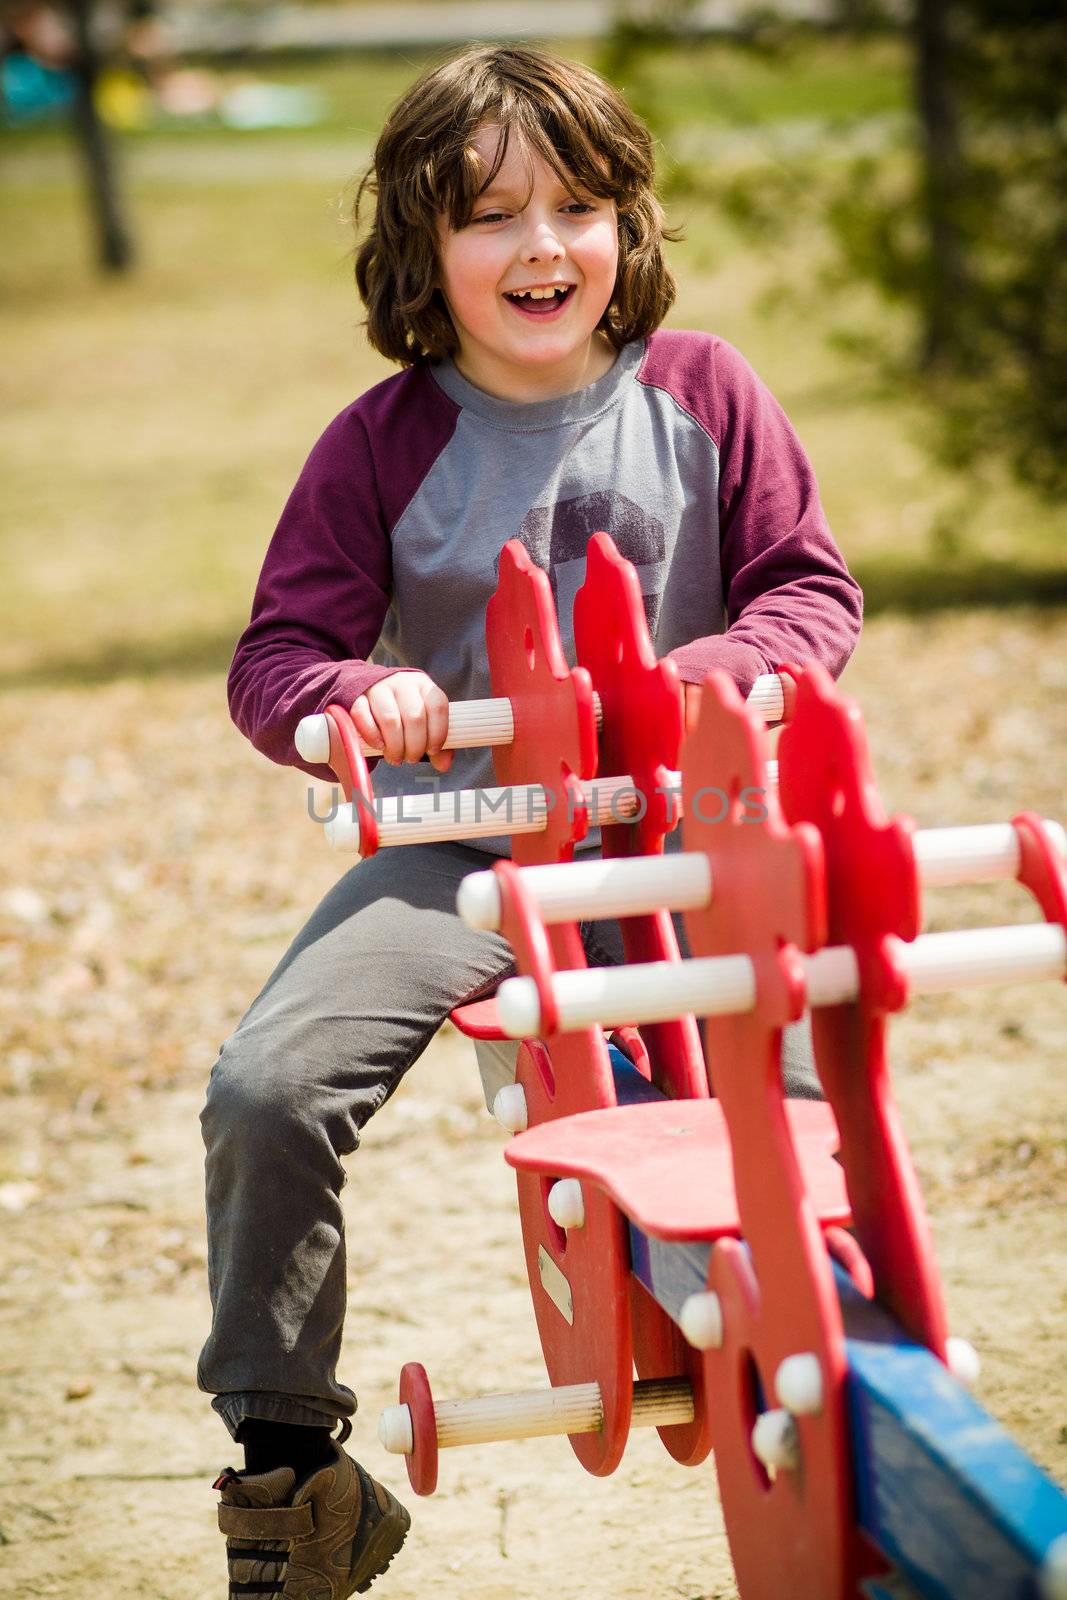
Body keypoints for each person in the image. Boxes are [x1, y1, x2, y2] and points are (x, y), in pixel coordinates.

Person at [198, 42, 863, 1599]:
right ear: (425, 246)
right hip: (472, 847)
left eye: (577, 205)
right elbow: (273, 660)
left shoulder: (709, 393)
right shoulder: (378, 443)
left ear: (628, 226)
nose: (543, 246)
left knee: (786, 1114)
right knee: (267, 1089)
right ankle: (293, 1474)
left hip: (695, 841)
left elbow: (807, 590)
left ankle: (840, 1362)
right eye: (491, 216)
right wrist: (352, 704)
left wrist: (736, 668)